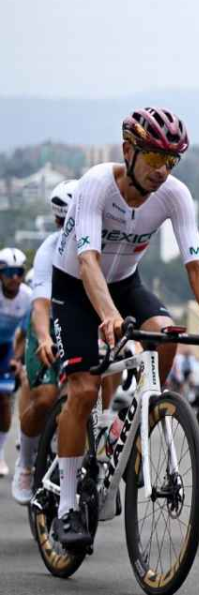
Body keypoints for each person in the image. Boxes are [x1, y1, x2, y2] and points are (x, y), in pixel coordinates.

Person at [49, 107, 199, 548]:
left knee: (166, 334)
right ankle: (67, 505)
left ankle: (137, 422)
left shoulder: (175, 195)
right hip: (75, 286)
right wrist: (108, 315)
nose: (162, 170)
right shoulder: (96, 185)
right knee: (84, 389)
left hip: (126, 283)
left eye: (171, 160)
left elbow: (196, 264)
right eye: (153, 157)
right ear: (128, 151)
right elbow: (88, 262)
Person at [12, 181, 75, 503]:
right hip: (47, 323)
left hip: (80, 323)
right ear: (57, 222)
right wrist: (45, 338)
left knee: (97, 384)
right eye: (66, 223)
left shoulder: (103, 243)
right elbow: (40, 307)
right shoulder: (48, 252)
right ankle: (25, 463)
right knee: (46, 397)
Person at [0, 247, 31, 481]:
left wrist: (17, 359)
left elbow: (24, 334)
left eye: (19, 272)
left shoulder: (28, 297)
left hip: (7, 349)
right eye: (10, 273)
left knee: (3, 400)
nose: (15, 278)